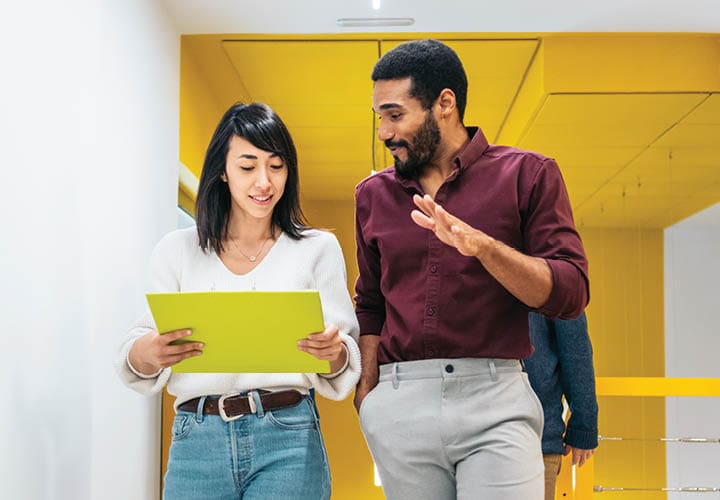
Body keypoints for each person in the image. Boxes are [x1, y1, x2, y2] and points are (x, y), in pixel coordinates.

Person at [353, 39, 589, 500]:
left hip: (495, 398)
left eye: (395, 114)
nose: (384, 131)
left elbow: (570, 291)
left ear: (445, 104)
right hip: (400, 401)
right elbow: (371, 303)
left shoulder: (529, 175)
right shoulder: (372, 195)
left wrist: (483, 247)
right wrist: (368, 395)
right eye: (379, 116)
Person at [115, 102, 361, 500]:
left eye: (276, 166)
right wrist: (149, 351)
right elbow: (135, 353)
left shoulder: (318, 248)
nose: (264, 181)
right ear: (222, 171)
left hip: (288, 435)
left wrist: (333, 352)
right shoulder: (177, 250)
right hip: (197, 440)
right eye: (248, 167)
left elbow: (342, 360)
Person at [525, 311, 599, 500]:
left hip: (538, 439)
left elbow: (576, 350)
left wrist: (584, 425)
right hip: (461, 433)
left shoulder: (554, 281)